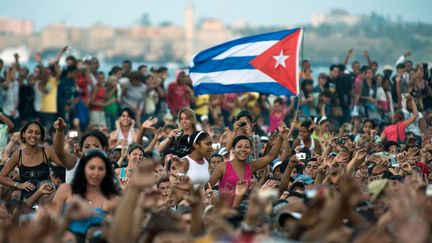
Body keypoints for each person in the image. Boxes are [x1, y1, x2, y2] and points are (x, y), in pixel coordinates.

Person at [209, 124, 288, 206]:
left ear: (251, 150)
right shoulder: (222, 166)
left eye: (246, 147)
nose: (243, 149)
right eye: (239, 146)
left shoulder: (251, 166)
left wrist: (281, 138)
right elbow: (208, 187)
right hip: (225, 211)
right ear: (233, 149)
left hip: (244, 211)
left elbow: (270, 156)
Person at [53, 149, 119, 241]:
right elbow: (51, 227)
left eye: (101, 169)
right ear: (83, 169)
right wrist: (69, 214)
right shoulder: (65, 190)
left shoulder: (113, 199)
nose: (96, 173)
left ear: (106, 172)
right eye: (91, 168)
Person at [0, 121, 66, 199]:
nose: (33, 135)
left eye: (37, 133)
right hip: (26, 202)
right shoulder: (17, 155)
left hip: (45, 199)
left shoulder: (47, 151)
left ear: (41, 136)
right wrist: (18, 185)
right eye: (30, 132)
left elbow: (67, 164)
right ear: (24, 134)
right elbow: (1, 177)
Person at [53, 118, 109, 183]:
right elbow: (59, 152)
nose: (91, 149)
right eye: (87, 146)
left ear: (104, 149)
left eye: (96, 146)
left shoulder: (108, 166)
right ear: (81, 149)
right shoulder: (75, 163)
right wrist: (59, 131)